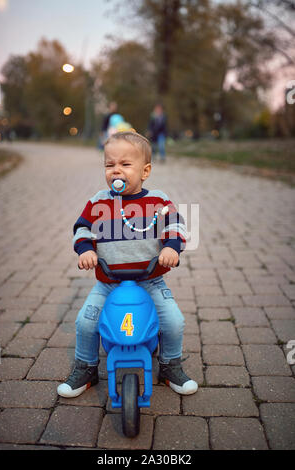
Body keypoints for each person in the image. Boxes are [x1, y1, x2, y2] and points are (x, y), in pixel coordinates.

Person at [57, 131, 198, 398]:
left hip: (150, 280)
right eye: (109, 165)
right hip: (108, 283)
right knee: (85, 323)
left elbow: (177, 224)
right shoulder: (99, 201)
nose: (115, 171)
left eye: (125, 164)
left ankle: (170, 365)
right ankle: (86, 366)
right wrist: (85, 250)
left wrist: (171, 246)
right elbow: (82, 229)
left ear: (145, 171)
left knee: (174, 321)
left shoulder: (158, 200)